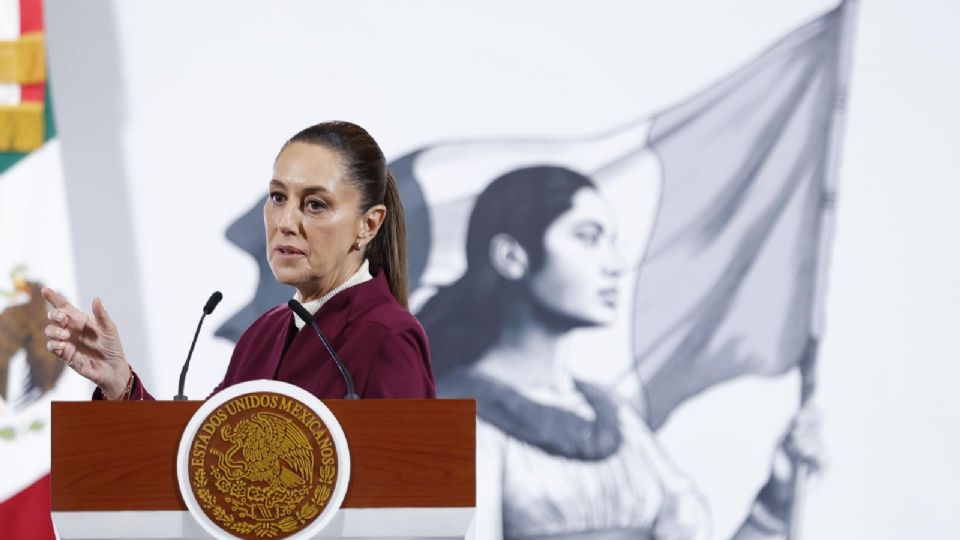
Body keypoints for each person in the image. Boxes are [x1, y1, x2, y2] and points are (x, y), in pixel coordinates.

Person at [417, 166, 822, 539]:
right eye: (588, 237)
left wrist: (776, 499)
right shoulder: (442, 420)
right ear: (512, 256)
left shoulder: (616, 417)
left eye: (612, 243)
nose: (614, 264)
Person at [42, 121, 435, 401]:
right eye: (278, 197)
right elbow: (200, 456)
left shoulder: (388, 336)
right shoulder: (265, 332)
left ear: (369, 224)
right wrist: (120, 383)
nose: (285, 223)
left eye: (315, 205)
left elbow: (412, 500)